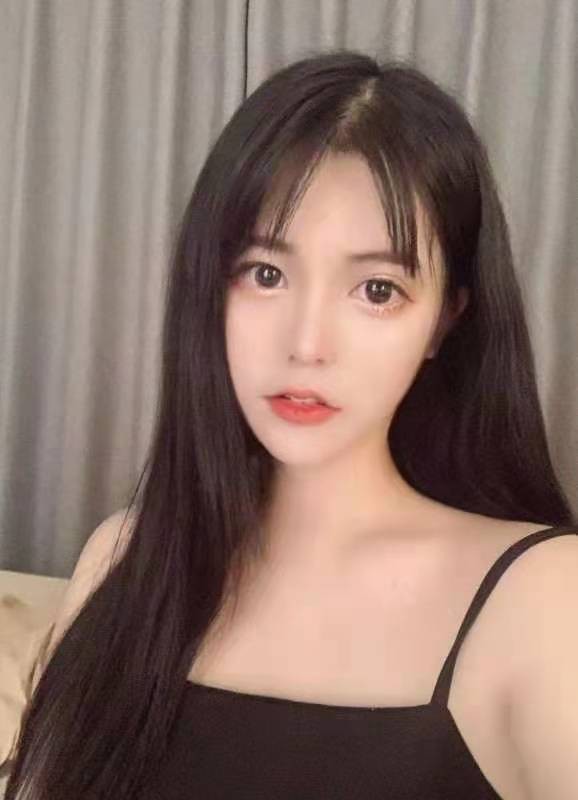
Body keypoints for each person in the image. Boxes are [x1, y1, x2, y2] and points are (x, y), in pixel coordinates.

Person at [5, 48, 576, 800]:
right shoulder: (122, 558)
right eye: (266, 274)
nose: (307, 344)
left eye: (377, 289)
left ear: (445, 320)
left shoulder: (541, 598)